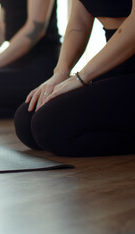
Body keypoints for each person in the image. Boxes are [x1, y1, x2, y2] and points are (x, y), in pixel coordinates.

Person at [14, 0, 135, 157]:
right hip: (115, 65)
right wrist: (60, 73)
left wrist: (81, 77)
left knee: (48, 126)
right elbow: (79, 22)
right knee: (26, 121)